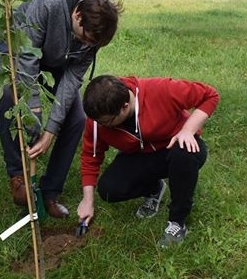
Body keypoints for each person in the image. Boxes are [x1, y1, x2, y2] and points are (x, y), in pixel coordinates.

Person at [0, 0, 120, 218]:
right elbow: (27, 60)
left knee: (76, 118)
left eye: (93, 44)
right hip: (19, 49)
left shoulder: (95, 31)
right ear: (77, 15)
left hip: (58, 60)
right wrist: (34, 110)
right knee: (10, 97)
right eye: (86, 39)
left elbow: (72, 78)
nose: (87, 45)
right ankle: (17, 176)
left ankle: (49, 192)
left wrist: (50, 130)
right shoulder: (48, 3)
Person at [76, 75, 219, 247]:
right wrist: (87, 200)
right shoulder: (98, 119)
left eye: (107, 123)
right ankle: (154, 189)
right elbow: (91, 155)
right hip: (140, 156)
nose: (102, 126)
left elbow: (210, 95)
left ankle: (177, 222)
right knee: (109, 189)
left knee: (183, 153)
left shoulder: (161, 89)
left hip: (177, 148)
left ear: (125, 107)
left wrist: (188, 130)